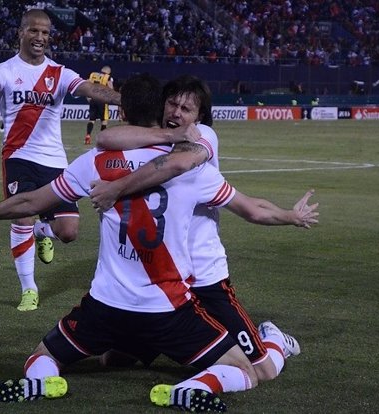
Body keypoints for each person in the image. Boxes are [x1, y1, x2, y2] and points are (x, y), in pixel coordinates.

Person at [0, 74, 272, 411]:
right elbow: (249, 208)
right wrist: (289, 217)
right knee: (244, 370)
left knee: (43, 356)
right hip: (168, 309)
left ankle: (41, 382)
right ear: (161, 108)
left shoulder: (96, 161)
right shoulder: (189, 165)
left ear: (122, 110)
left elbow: (31, 203)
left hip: (106, 308)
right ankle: (191, 388)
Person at [92, 75, 318, 382]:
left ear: (200, 117)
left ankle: (273, 337)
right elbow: (104, 140)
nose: (176, 113)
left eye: (187, 109)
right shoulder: (158, 136)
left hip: (204, 277)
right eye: (172, 103)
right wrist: (159, 135)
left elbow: (190, 170)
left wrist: (290, 216)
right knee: (113, 361)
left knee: (261, 372)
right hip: (164, 283)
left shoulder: (204, 137)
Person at [0, 9, 120, 312]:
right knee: (21, 217)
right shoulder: (4, 70)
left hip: (54, 161)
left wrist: (124, 98)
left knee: (68, 233)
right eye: (34, 31)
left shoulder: (60, 73)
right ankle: (29, 289)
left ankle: (44, 232)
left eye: (45, 33)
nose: (40, 38)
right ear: (21, 33)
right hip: (18, 157)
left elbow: (90, 89)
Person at [84, 65, 114, 145]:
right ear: (108, 72)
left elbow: (86, 85)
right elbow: (111, 89)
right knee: (104, 120)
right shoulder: (107, 77)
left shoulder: (92, 75)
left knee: (92, 119)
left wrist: (88, 96)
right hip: (102, 100)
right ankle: (102, 139)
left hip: (93, 99)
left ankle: (88, 135)